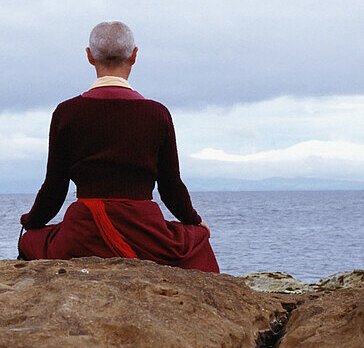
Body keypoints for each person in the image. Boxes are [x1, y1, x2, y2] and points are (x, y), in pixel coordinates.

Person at [18, 21, 219, 273]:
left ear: (89, 57)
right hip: (144, 230)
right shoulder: (157, 114)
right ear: (134, 55)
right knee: (197, 241)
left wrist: (31, 222)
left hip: (83, 232)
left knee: (31, 242)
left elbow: (55, 188)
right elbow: (170, 187)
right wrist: (195, 221)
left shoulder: (66, 113)